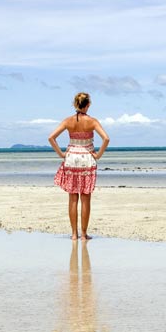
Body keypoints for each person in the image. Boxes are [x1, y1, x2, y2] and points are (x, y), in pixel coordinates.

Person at [48, 92, 110, 240]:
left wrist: (61, 154)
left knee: (73, 198)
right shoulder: (92, 121)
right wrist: (98, 154)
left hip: (71, 159)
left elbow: (51, 137)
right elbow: (106, 138)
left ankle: (74, 234)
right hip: (87, 159)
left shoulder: (68, 121)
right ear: (88, 105)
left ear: (76, 104)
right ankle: (83, 234)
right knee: (86, 198)